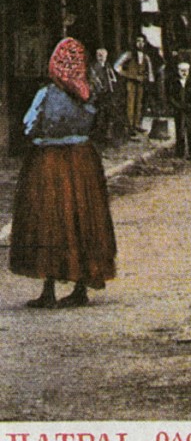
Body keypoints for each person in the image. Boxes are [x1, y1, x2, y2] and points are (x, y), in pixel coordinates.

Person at [9, 37, 116, 309]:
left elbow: (29, 125)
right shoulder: (88, 92)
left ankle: (49, 289)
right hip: (82, 161)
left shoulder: (46, 94)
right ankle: (80, 286)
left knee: (49, 221)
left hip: (49, 161)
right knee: (82, 218)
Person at [114, 35, 154, 133]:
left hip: (140, 83)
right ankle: (129, 126)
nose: (140, 43)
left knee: (139, 103)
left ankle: (137, 124)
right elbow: (116, 66)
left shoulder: (146, 57)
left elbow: (150, 72)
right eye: (138, 41)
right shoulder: (128, 54)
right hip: (130, 82)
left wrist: (146, 78)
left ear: (144, 43)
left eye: (142, 41)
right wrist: (128, 74)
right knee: (130, 103)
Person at [168, 57, 191, 159]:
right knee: (180, 131)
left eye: (186, 71)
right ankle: (180, 152)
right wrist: (177, 105)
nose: (184, 73)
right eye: (182, 71)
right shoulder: (174, 83)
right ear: (178, 71)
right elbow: (171, 96)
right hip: (179, 110)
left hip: (190, 110)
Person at [88, 45, 119, 144]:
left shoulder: (108, 66)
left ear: (106, 56)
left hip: (107, 92)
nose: (100, 57)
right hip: (97, 93)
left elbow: (113, 78)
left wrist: (112, 81)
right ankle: (97, 133)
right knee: (99, 112)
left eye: (102, 55)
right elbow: (92, 80)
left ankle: (108, 133)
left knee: (110, 110)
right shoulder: (93, 67)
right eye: (98, 55)